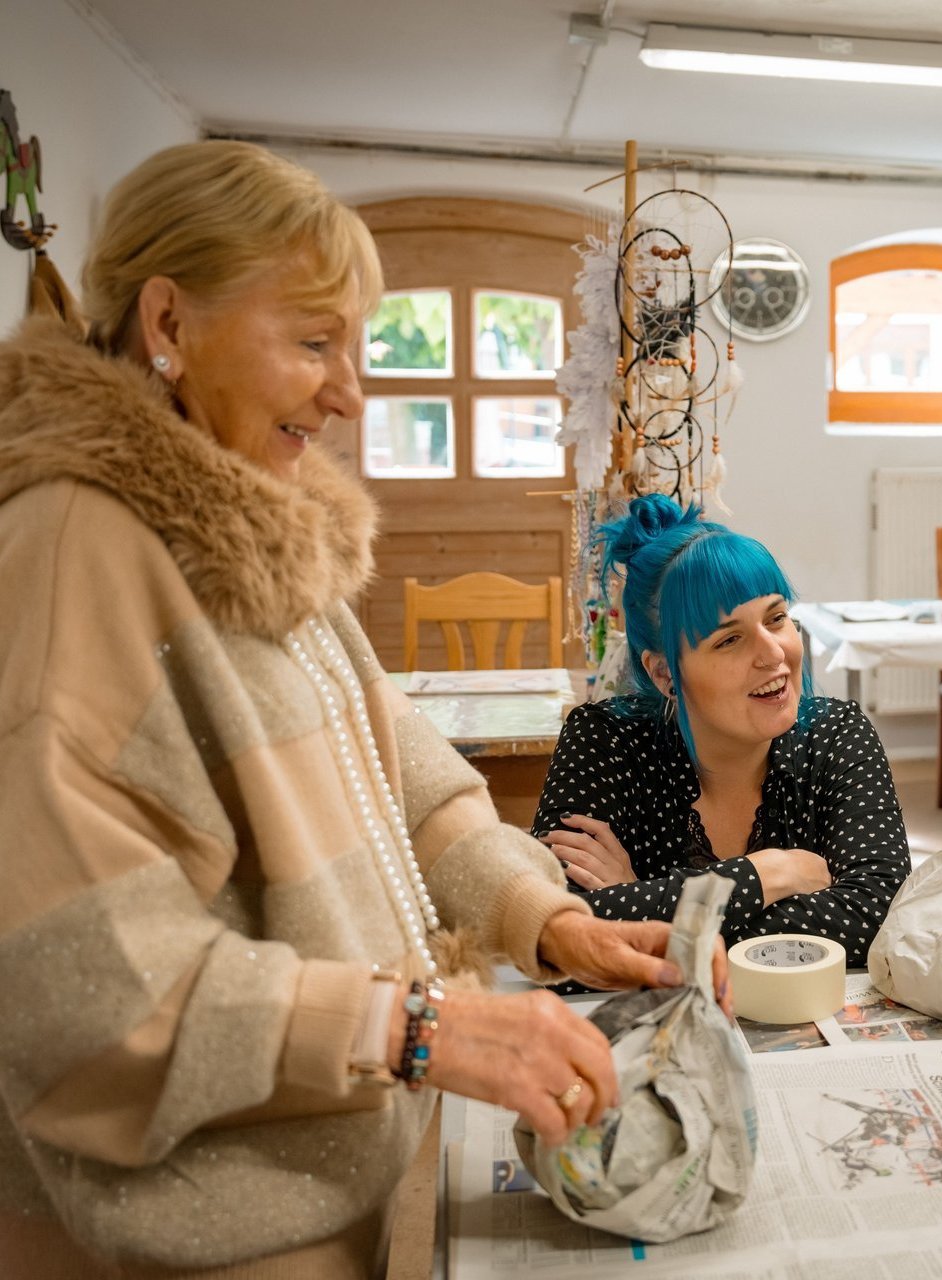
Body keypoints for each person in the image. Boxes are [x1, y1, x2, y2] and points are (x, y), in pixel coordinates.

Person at [0, 140, 724, 1280]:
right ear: (169, 323)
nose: (348, 393)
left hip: (319, 1178)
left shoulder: (253, 524)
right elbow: (82, 985)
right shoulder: (69, 555)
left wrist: (543, 917)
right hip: (199, 1236)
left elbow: (408, 780)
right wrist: (413, 1025)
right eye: (311, 341)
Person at [531, 496, 909, 966]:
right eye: (730, 639)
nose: (773, 653)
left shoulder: (837, 735)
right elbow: (553, 934)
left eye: (776, 618)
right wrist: (767, 873)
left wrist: (637, 908)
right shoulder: (602, 741)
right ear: (665, 673)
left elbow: (877, 917)